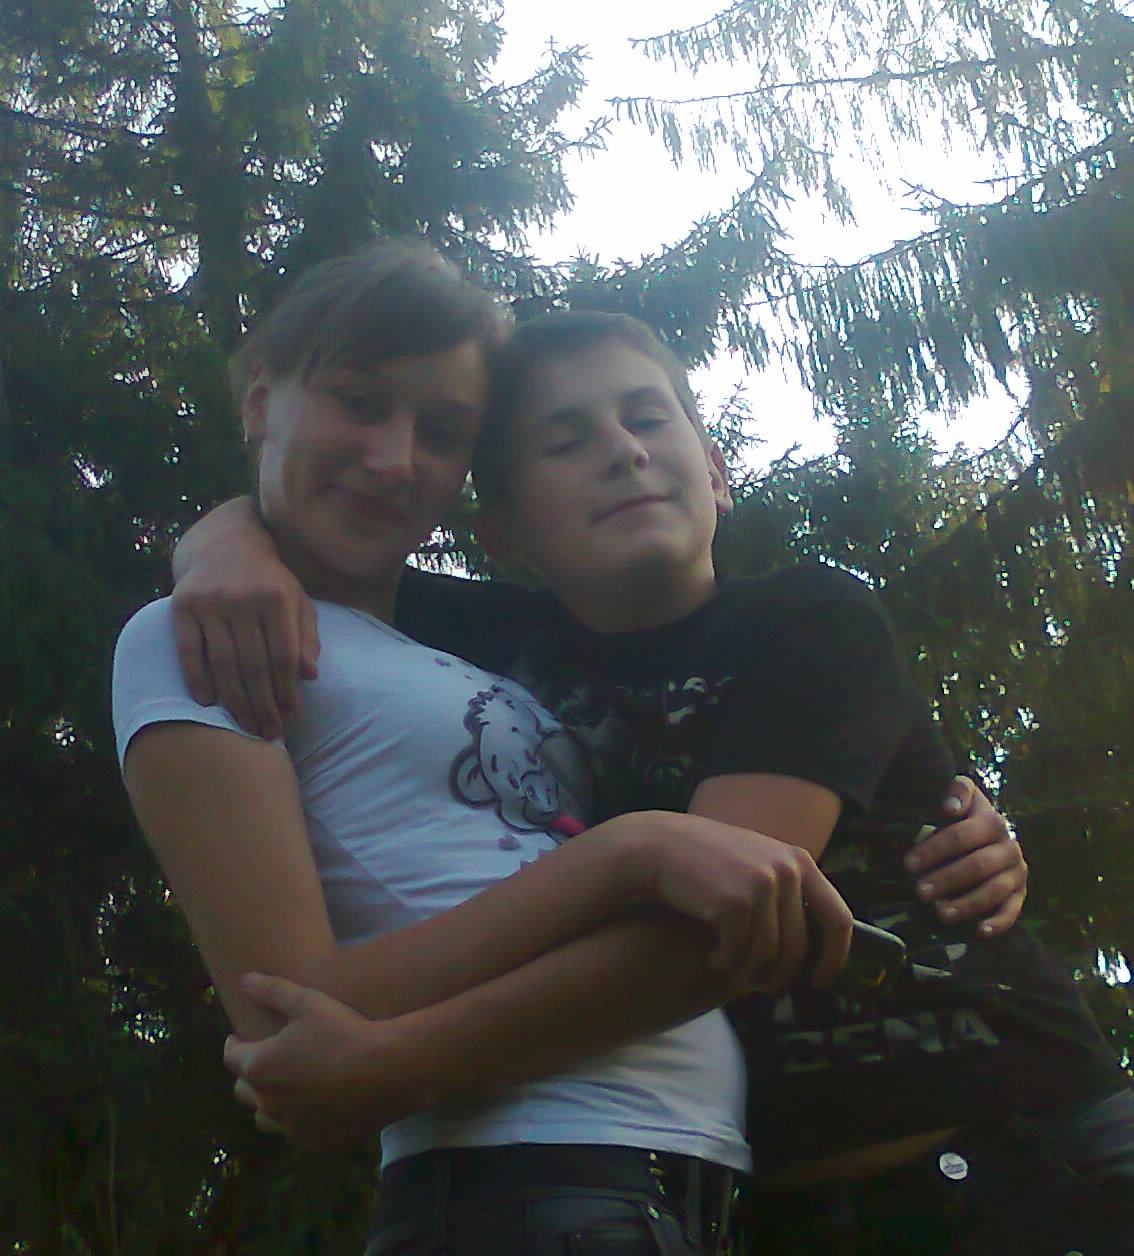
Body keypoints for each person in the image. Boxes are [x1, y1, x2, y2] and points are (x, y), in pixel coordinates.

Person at [167, 305, 1095, 1254]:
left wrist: (395, 1066)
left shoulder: (810, 619)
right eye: (565, 441)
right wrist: (221, 544)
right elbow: (312, 549)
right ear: (503, 530)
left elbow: (719, 922)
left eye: (647, 418)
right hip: (758, 1209)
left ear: (717, 474)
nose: (622, 450)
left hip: (1032, 1158)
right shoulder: (485, 656)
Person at [115, 240, 880, 1256]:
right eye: (359, 402)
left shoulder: (470, 644)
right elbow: (284, 1009)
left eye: (442, 432)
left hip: (694, 1183)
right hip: (520, 1186)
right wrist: (633, 852)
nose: (395, 459)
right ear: (261, 401)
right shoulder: (212, 638)